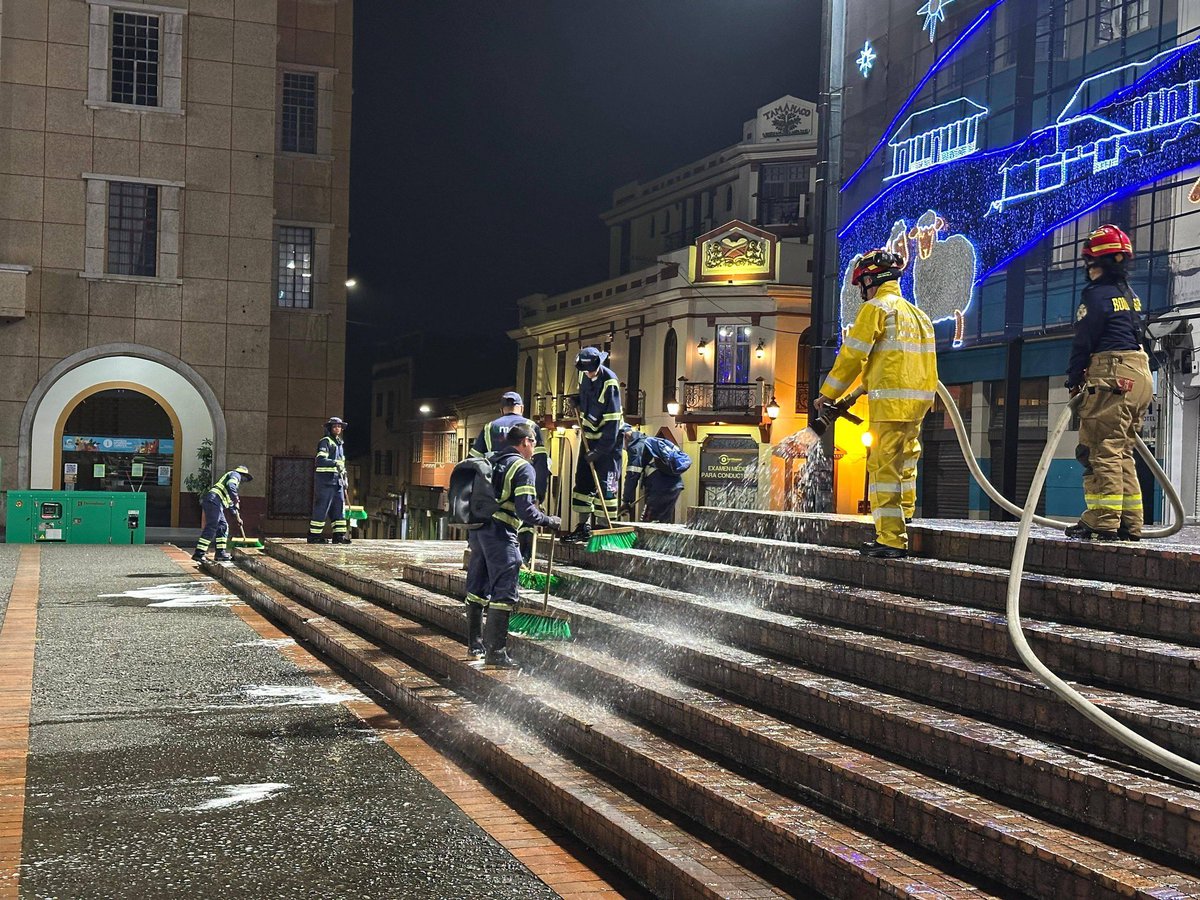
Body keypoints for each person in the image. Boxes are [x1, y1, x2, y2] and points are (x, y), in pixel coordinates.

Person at [816, 248, 937, 559]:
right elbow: (891, 362)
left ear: (869, 279)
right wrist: (855, 395)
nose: (861, 291)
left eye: (861, 284)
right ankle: (906, 515)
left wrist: (827, 395)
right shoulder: (919, 315)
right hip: (917, 403)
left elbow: (853, 355)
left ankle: (892, 539)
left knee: (884, 470)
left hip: (890, 405)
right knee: (907, 461)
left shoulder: (876, 308)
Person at [1064, 224, 1153, 542]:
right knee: (1122, 451)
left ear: (1093, 263)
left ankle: (1103, 520)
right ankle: (1130, 523)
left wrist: (1074, 381)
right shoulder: (1130, 296)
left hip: (1112, 374)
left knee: (1101, 450)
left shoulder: (1096, 294)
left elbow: (1083, 343)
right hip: (1140, 373)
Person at [463, 423, 560, 667]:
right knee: (504, 591)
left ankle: (475, 646)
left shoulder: (492, 460)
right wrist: (549, 520)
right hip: (500, 533)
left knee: (477, 588)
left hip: (478, 532)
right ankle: (496, 653)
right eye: (534, 443)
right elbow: (525, 509)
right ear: (525, 442)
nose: (534, 449)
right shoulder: (523, 467)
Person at [470, 391, 550, 563]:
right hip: (522, 479)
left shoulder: (489, 427)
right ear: (521, 408)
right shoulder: (530, 426)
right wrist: (540, 492)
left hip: (495, 487)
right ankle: (525, 559)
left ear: (501, 410)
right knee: (526, 519)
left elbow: (473, 461)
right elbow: (541, 461)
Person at [562, 347, 623, 544]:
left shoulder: (610, 383)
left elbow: (613, 421)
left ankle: (604, 528)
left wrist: (600, 451)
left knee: (607, 485)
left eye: (591, 370)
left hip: (608, 443)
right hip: (589, 437)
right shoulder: (585, 376)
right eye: (585, 370)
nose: (588, 373)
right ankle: (583, 526)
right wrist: (577, 399)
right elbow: (589, 399)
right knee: (583, 481)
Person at [620, 425, 684, 523]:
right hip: (674, 485)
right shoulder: (646, 440)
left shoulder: (635, 448)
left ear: (625, 436)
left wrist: (626, 501)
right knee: (661, 522)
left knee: (649, 522)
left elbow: (632, 476)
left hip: (661, 487)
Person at [193, 465, 252, 562]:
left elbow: (231, 505)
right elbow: (231, 485)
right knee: (212, 525)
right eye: (245, 478)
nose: (244, 481)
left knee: (223, 526)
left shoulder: (230, 488)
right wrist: (236, 499)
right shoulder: (235, 475)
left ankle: (220, 553)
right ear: (242, 474)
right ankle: (199, 553)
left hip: (217, 503)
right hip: (214, 500)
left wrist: (238, 518)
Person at [309, 416, 349, 544]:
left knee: (339, 509)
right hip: (325, 482)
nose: (337, 428)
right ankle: (314, 536)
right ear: (330, 428)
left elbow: (342, 464)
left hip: (338, 483)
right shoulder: (325, 442)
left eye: (339, 426)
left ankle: (339, 536)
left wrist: (345, 477)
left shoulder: (340, 443)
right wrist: (335, 463)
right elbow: (320, 460)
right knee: (322, 508)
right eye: (335, 426)